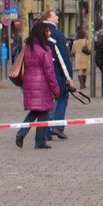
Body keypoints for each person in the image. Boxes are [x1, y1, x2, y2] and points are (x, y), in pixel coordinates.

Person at [15, 21, 60, 150]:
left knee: (36, 111)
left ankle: (23, 133)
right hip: (42, 84)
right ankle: (39, 141)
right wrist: (56, 89)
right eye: (47, 31)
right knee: (43, 112)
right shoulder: (45, 50)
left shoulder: (28, 48)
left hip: (29, 83)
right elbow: (49, 72)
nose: (49, 33)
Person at [42, 9, 73, 140]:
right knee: (61, 97)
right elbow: (63, 58)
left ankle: (45, 129)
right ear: (49, 17)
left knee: (46, 100)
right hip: (56, 72)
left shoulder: (36, 33)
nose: (58, 17)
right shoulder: (57, 35)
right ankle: (57, 126)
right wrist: (69, 77)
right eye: (55, 15)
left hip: (40, 73)